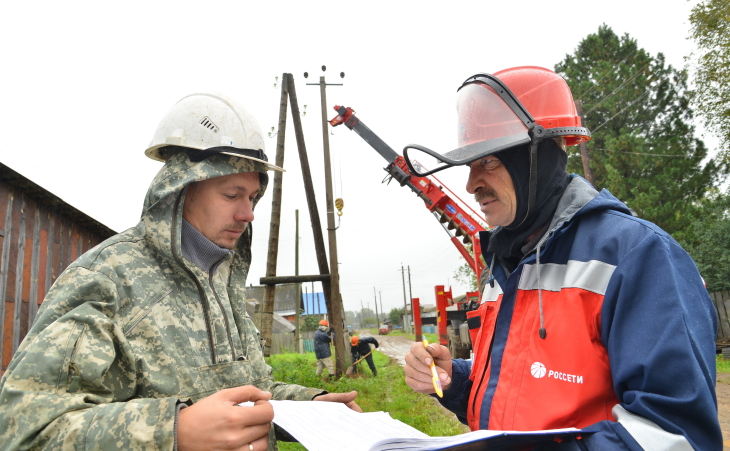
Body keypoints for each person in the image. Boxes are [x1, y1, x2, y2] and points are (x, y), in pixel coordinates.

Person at [0, 93, 360, 451]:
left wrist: (310, 407)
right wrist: (173, 431)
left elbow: (246, 392)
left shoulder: (223, 280)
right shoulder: (106, 279)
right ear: (181, 190)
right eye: (232, 194)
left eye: (252, 197)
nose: (248, 213)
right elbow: (26, 429)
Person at [402, 67, 721, 450]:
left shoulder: (638, 256)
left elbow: (676, 436)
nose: (471, 184)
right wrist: (454, 379)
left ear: (533, 159)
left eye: (487, 162)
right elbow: (518, 384)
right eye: (470, 167)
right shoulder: (503, 264)